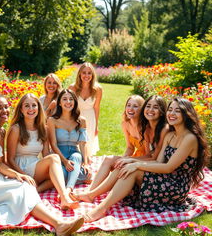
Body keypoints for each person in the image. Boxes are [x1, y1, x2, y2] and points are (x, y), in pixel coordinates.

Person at [0, 92, 84, 235]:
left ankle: (59, 224)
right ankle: (59, 224)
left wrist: (18, 175)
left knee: (23, 188)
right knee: (17, 196)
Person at [73, 97, 209, 222]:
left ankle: (101, 209)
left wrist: (137, 165)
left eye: (177, 111)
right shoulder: (171, 135)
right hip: (164, 177)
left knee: (133, 171)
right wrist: (134, 162)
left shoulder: (189, 138)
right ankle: (91, 195)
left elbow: (169, 167)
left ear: (186, 114)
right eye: (170, 109)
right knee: (125, 167)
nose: (172, 113)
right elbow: (159, 162)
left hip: (176, 185)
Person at [7, 93, 79, 209]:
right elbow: (9, 159)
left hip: (35, 166)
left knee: (58, 174)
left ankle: (35, 189)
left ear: (39, 108)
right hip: (21, 167)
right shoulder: (16, 129)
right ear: (21, 109)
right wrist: (23, 175)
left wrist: (63, 163)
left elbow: (46, 154)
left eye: (34, 105)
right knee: (54, 160)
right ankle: (64, 197)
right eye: (27, 106)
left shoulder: (43, 129)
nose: (31, 109)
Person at [88, 95, 145, 190]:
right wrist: (123, 158)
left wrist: (129, 160)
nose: (130, 109)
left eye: (135, 106)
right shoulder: (126, 124)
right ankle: (91, 189)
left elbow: (151, 155)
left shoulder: (144, 127)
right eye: (128, 105)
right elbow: (130, 147)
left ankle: (94, 193)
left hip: (145, 160)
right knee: (109, 159)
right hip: (135, 156)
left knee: (121, 166)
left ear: (142, 109)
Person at [47, 89, 91, 196]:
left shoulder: (81, 121)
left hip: (74, 156)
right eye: (65, 99)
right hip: (59, 156)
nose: (68, 102)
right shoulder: (52, 120)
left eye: (71, 99)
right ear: (60, 103)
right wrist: (65, 161)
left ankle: (68, 189)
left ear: (75, 102)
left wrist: (85, 163)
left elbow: (82, 143)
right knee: (66, 173)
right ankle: (76, 177)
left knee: (77, 157)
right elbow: (53, 144)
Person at [114, 95, 169, 169]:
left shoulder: (164, 129)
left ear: (162, 112)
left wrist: (131, 160)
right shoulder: (147, 128)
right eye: (148, 106)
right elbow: (131, 148)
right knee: (117, 165)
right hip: (148, 162)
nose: (151, 110)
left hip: (160, 166)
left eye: (155, 107)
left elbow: (153, 158)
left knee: (123, 168)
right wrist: (125, 159)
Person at [69, 62, 102, 158]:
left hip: (90, 118)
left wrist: (96, 125)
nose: (86, 75)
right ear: (80, 74)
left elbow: (96, 107)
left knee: (88, 143)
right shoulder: (73, 88)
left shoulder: (98, 89)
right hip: (76, 116)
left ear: (92, 75)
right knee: (76, 143)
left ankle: (86, 162)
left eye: (89, 73)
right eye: (84, 72)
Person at [0, 94, 10, 163]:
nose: (4, 111)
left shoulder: (2, 130)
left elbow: (2, 160)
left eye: (6, 107)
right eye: (0, 108)